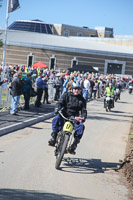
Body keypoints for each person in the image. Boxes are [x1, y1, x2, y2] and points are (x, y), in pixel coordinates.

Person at [48, 84, 87, 154]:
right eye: (75, 89)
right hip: (64, 114)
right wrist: (57, 109)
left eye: (78, 89)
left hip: (74, 117)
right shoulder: (66, 95)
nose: (76, 90)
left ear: (80, 90)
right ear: (72, 89)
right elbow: (59, 103)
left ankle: (74, 145)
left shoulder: (82, 100)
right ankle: (54, 136)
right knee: (56, 119)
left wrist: (83, 117)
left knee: (81, 126)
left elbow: (84, 111)